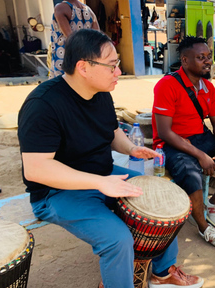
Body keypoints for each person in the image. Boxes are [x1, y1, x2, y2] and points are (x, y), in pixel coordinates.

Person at [18, 29, 203, 288]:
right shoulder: (43, 105)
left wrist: (130, 149)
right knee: (117, 239)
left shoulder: (101, 92)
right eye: (112, 66)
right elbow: (36, 169)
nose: (118, 72)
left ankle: (163, 272)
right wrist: (99, 182)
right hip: (56, 193)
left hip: (104, 175)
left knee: (164, 200)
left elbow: (113, 131)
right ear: (83, 67)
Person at [152, 36, 215, 251]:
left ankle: (212, 204)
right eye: (201, 58)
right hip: (172, 142)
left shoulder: (207, 86)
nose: (208, 61)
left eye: (209, 57)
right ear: (185, 60)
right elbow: (164, 131)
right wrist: (200, 155)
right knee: (192, 175)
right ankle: (203, 228)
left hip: (201, 136)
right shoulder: (167, 85)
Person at [48, 0, 100, 79]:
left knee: (62, 93)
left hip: (65, 60)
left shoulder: (61, 8)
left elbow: (71, 37)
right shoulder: (88, 11)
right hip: (85, 62)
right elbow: (98, 38)